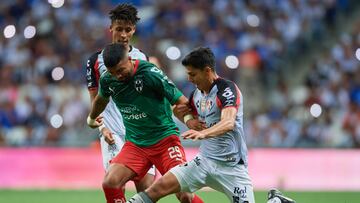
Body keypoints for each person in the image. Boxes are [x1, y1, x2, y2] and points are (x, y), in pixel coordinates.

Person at [126, 47, 296, 203]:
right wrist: (188, 120)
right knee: (158, 188)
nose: (189, 79)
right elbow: (178, 108)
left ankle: (276, 201)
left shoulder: (227, 90)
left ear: (207, 71)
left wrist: (203, 134)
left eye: (192, 74)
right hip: (203, 162)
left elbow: (228, 123)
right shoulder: (197, 94)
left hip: (231, 168)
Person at [87, 43, 204, 203]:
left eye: (120, 70)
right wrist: (92, 118)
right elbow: (100, 100)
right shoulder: (108, 79)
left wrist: (190, 120)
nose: (118, 76)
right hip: (135, 145)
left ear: (129, 59)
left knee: (185, 194)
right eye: (113, 72)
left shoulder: (150, 72)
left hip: (165, 142)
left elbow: (180, 101)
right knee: (110, 183)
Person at [85, 3, 154, 193]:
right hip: (112, 132)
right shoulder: (95, 60)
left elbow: (147, 98)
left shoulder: (141, 57)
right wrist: (102, 127)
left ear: (134, 30)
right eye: (119, 29)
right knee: (115, 186)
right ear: (110, 29)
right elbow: (94, 100)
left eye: (128, 29)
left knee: (146, 187)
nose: (123, 35)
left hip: (140, 132)